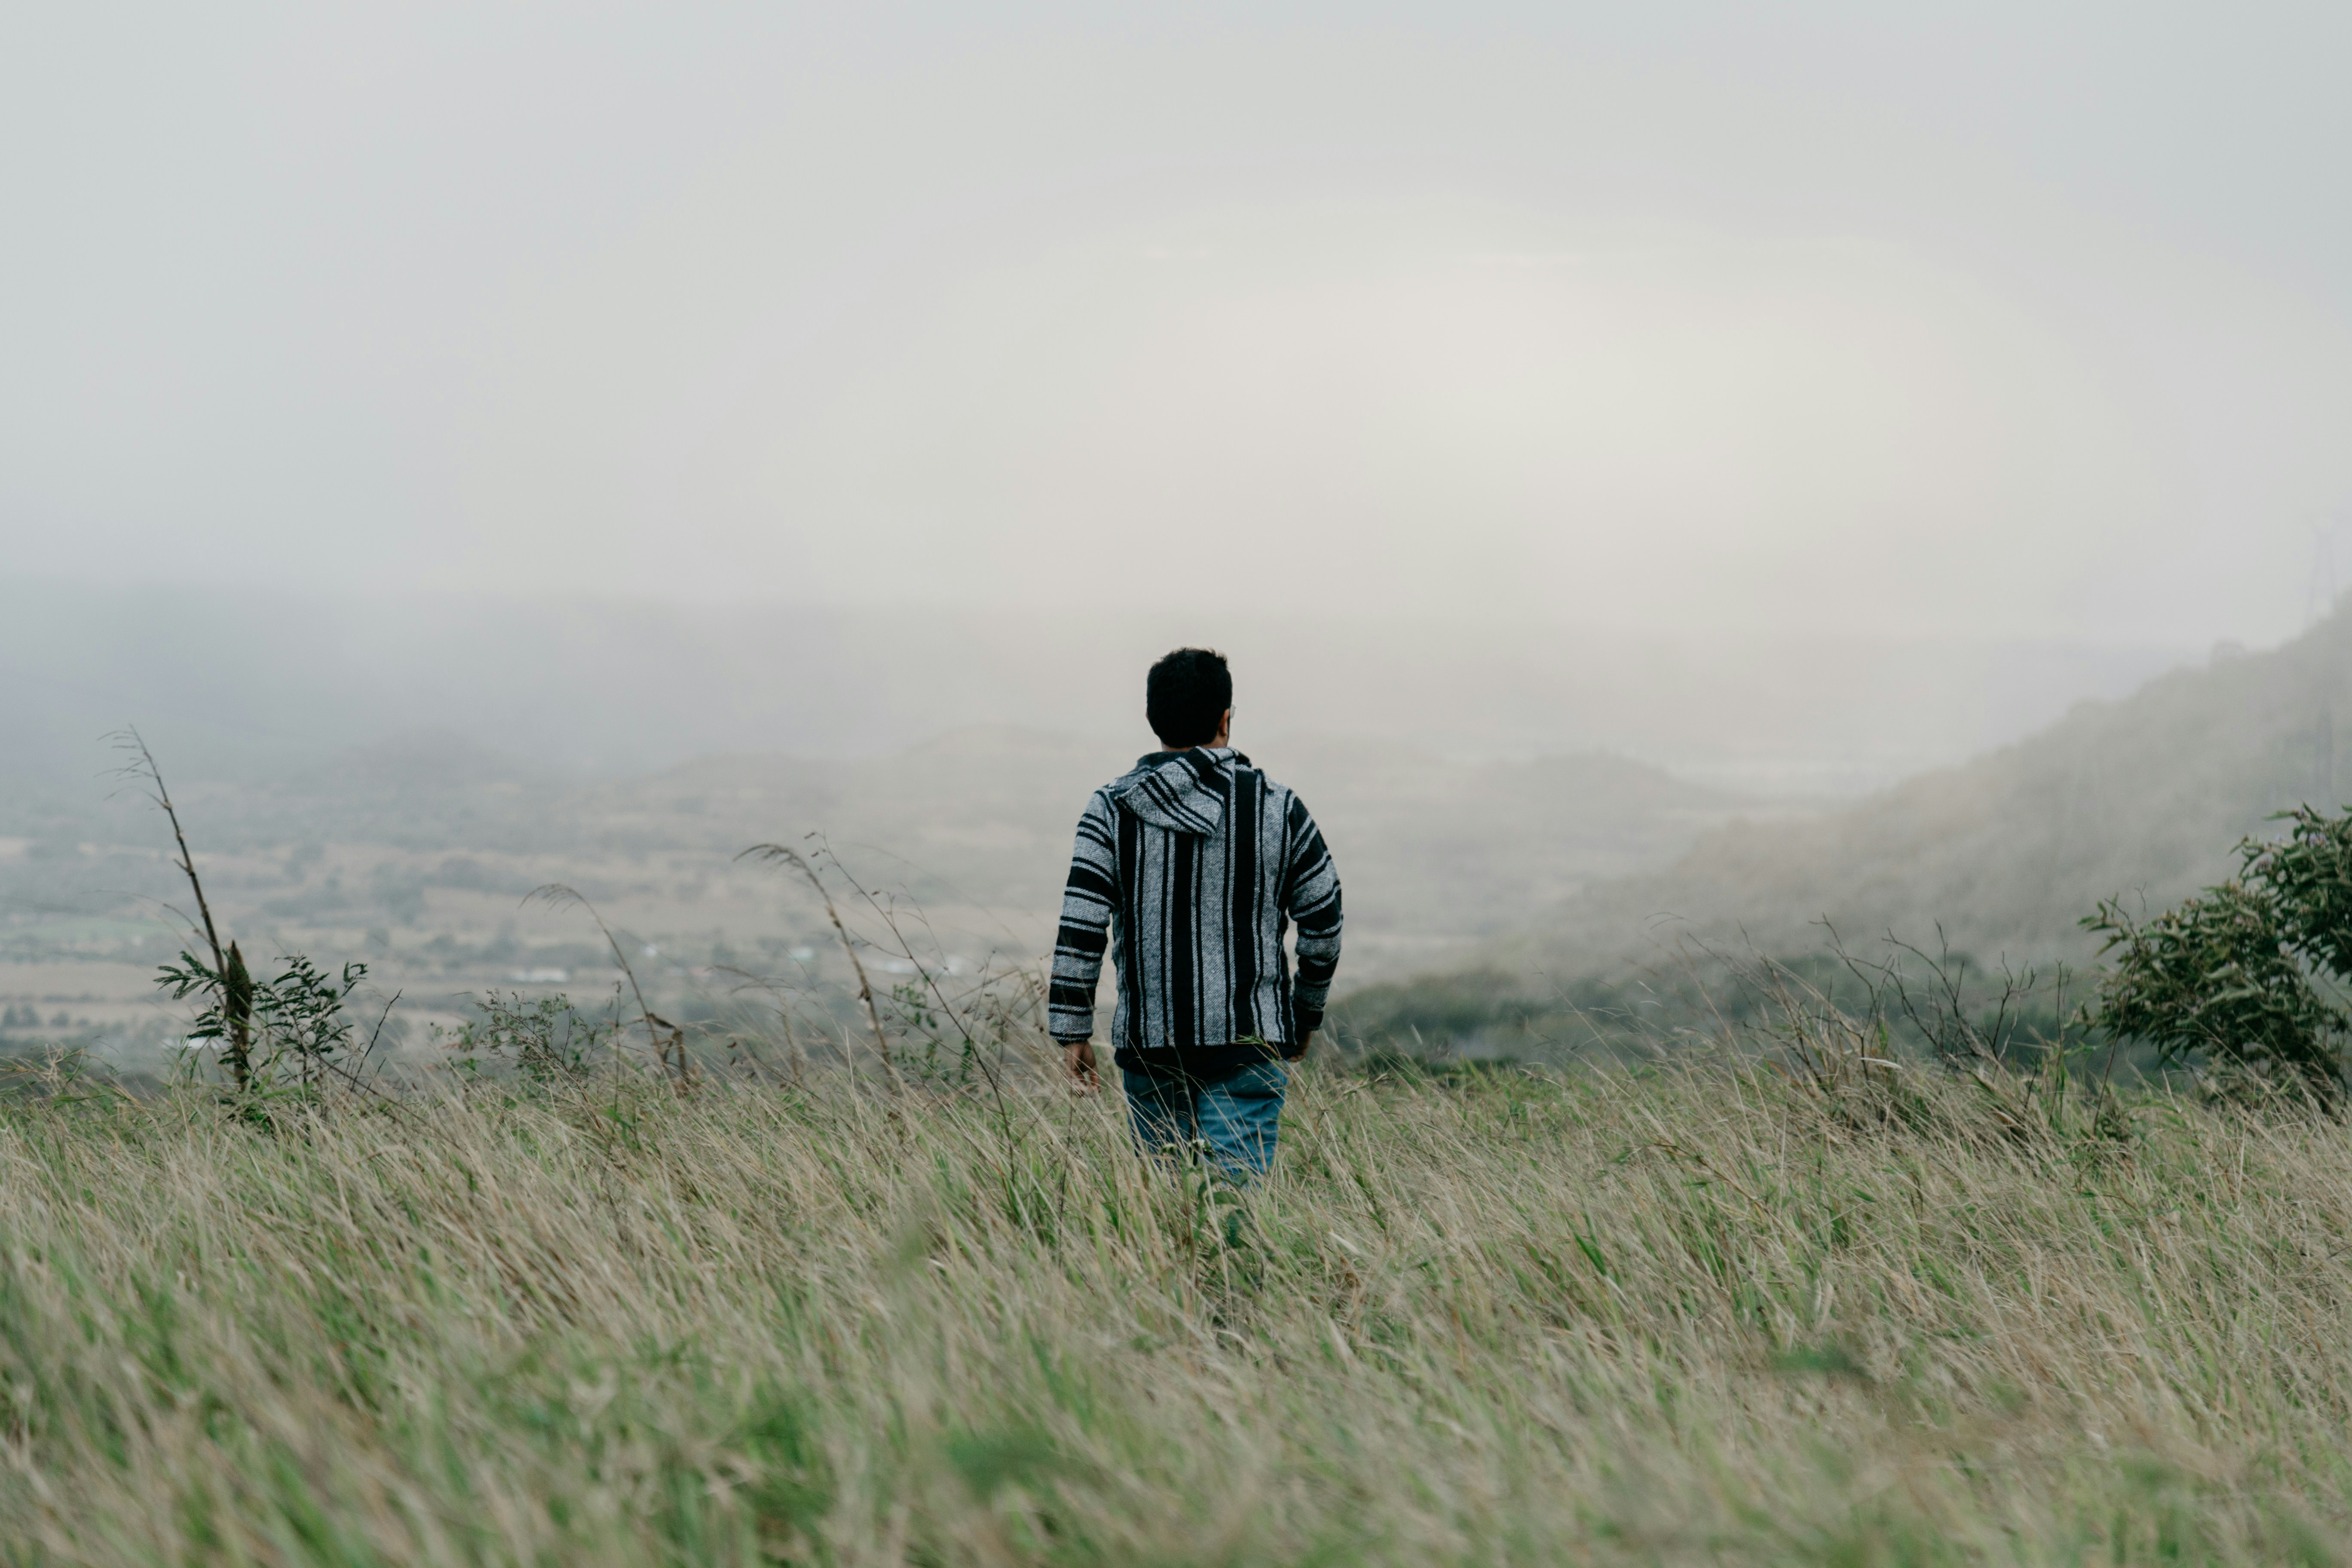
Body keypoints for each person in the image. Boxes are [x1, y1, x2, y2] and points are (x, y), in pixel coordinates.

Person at [1049, 647, 1343, 1182]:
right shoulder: (1277, 807)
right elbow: (1324, 919)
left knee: (1167, 1213)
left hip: (1151, 1045)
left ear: (1152, 720)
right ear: (1226, 719)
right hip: (1248, 1042)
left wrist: (1072, 1032)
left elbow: (1081, 925)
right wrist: (1304, 1017)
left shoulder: (1110, 809)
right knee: (1235, 1208)